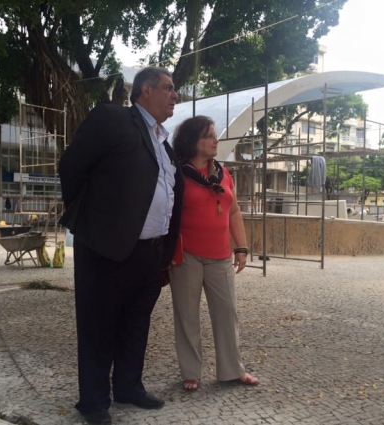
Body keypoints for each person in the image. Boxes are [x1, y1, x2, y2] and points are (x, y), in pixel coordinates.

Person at [59, 67, 183, 425]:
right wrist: (90, 222)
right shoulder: (113, 118)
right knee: (98, 325)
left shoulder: (164, 141)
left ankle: (128, 387)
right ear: (145, 91)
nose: (175, 95)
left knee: (135, 322)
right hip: (104, 246)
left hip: (149, 251)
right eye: (168, 88)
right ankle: (94, 402)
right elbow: (72, 165)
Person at [169, 116, 258, 391]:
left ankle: (233, 370)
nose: (215, 140)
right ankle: (191, 372)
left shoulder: (222, 173)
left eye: (214, 134)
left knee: (227, 312)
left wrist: (241, 247)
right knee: (187, 315)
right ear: (193, 142)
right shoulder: (177, 174)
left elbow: (233, 210)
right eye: (209, 135)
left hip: (220, 255)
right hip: (187, 255)